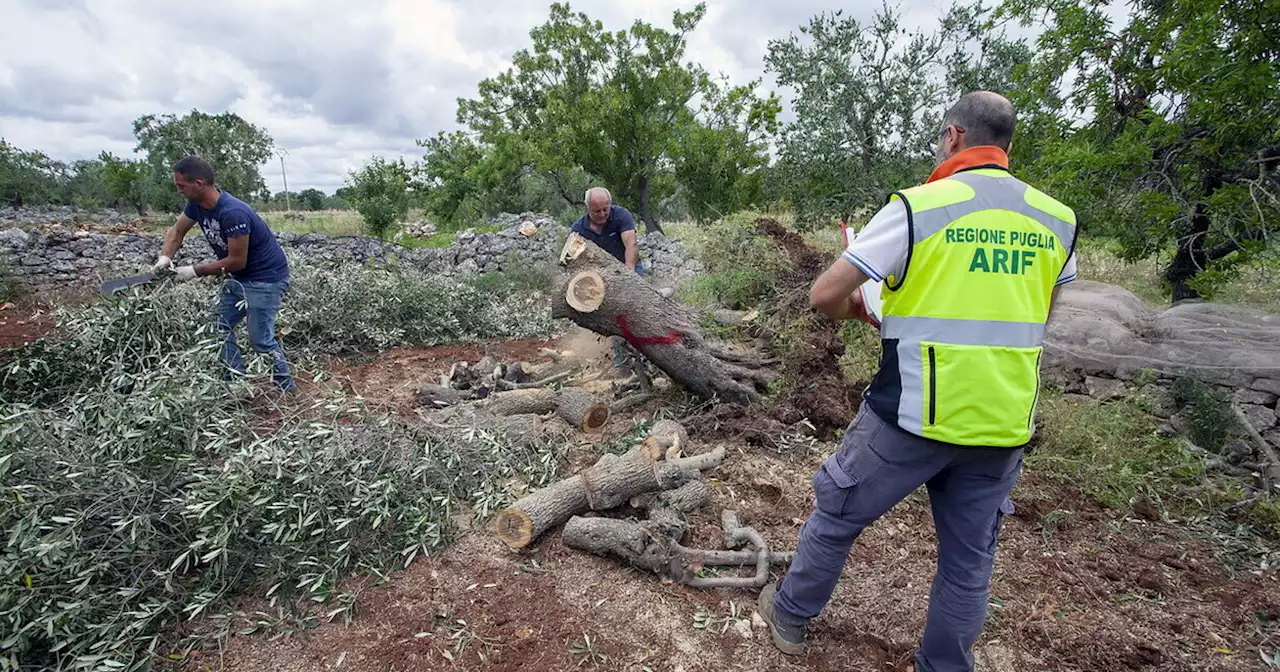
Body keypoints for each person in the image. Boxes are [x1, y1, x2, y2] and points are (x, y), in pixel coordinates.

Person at [756, 91, 1078, 671]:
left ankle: (790, 617)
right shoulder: (1058, 218)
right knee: (968, 562)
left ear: (953, 136)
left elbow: (824, 294)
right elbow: (1042, 311)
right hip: (1003, 422)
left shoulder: (919, 206)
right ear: (1007, 143)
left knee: (837, 514)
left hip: (912, 412)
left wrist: (862, 312)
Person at [152, 156, 296, 392]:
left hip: (266, 278)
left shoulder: (233, 212)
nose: (178, 191)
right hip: (240, 279)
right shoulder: (196, 206)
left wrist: (193, 271)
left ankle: (285, 388)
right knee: (217, 327)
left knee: (260, 339)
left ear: (199, 183)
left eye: (181, 186)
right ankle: (236, 383)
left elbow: (237, 261)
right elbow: (177, 231)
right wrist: (165, 258)